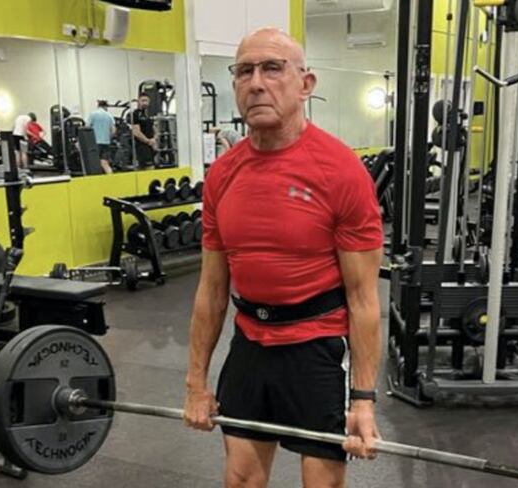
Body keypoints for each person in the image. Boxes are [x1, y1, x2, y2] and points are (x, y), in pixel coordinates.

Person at [183, 27, 384, 488]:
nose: (256, 83)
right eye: (244, 71)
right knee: (241, 480)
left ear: (305, 84)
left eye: (272, 68)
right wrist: (196, 384)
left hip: (315, 347)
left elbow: (363, 299)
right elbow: (212, 289)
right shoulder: (222, 175)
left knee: (321, 484)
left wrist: (363, 400)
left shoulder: (342, 172)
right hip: (249, 345)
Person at [88, 100, 116, 174]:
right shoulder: (109, 115)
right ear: (105, 106)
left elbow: (87, 128)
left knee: (94, 163)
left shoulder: (93, 114)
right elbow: (113, 130)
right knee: (104, 163)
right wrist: (108, 138)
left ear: (98, 106)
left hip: (95, 143)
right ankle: (111, 176)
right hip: (106, 143)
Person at [130, 92, 156, 168]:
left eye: (146, 101)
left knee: (152, 166)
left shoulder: (148, 115)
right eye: (143, 100)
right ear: (138, 101)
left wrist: (154, 140)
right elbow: (136, 132)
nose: (145, 103)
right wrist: (148, 141)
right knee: (146, 167)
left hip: (150, 146)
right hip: (141, 146)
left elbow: (154, 129)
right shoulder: (136, 114)